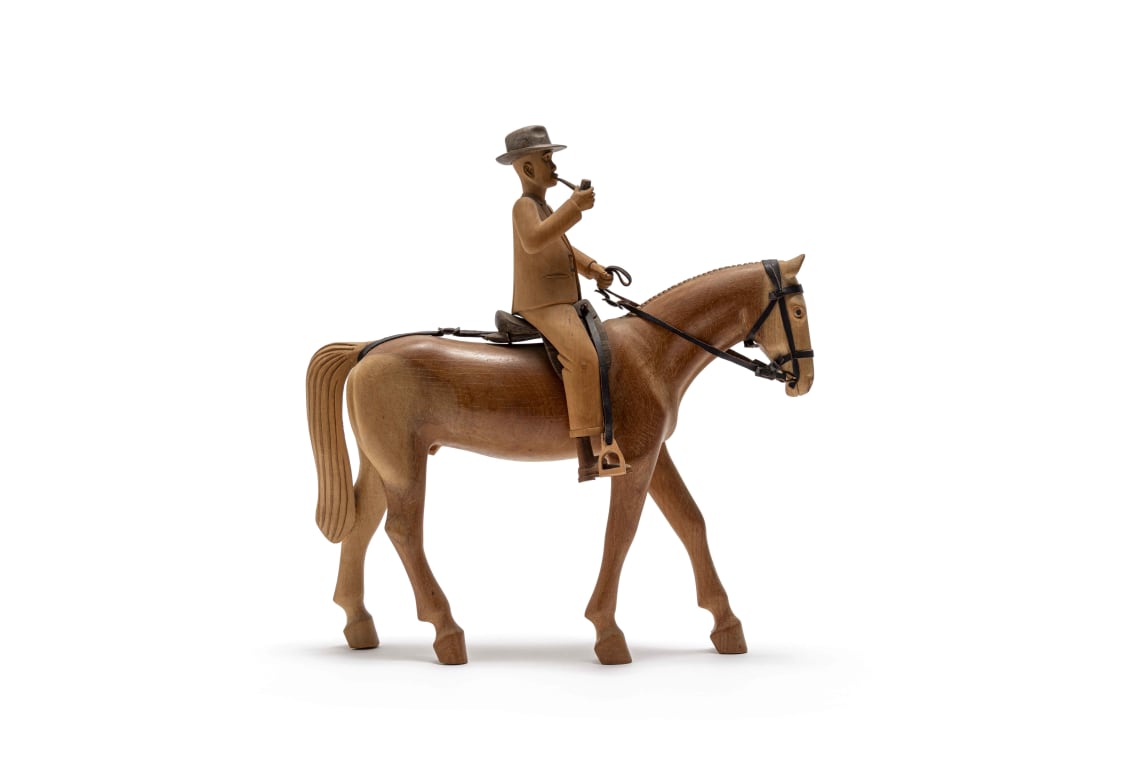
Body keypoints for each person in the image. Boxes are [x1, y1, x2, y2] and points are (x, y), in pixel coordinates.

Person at [496, 125, 627, 478]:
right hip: (542, 304)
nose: (554, 166)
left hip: (561, 302)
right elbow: (536, 240)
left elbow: (561, 244)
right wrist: (574, 206)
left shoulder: (544, 206)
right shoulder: (524, 207)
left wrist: (592, 268)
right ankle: (587, 454)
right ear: (527, 169)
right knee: (583, 357)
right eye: (546, 159)